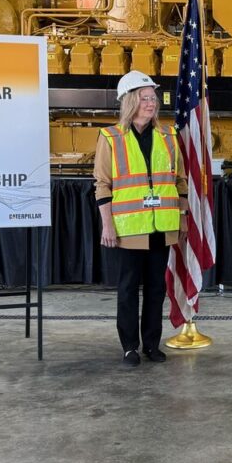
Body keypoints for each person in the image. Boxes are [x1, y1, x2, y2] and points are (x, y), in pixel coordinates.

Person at [95, 71, 188, 368]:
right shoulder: (110, 137)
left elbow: (180, 181)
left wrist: (183, 218)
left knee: (156, 289)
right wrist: (107, 224)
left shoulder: (169, 136)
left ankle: (151, 344)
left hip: (162, 226)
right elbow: (102, 184)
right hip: (129, 229)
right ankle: (129, 347)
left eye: (154, 98)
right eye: (145, 98)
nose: (152, 103)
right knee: (127, 289)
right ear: (130, 101)